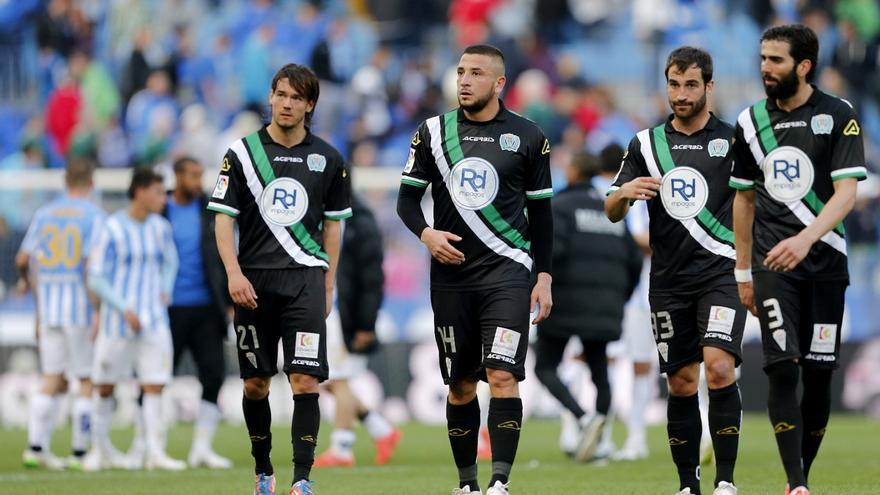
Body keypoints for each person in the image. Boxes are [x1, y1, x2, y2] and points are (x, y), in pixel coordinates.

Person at [396, 44, 554, 495]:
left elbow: (542, 216)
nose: (464, 80)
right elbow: (406, 200)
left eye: (476, 73)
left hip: (508, 272)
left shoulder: (528, 136)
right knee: (461, 384)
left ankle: (499, 482)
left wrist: (543, 276)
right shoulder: (432, 133)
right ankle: (467, 484)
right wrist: (427, 235)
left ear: (499, 83)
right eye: (461, 71)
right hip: (451, 278)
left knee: (503, 375)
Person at [730, 24, 866, 495]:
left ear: (803, 66)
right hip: (773, 266)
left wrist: (807, 238)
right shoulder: (749, 123)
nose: (765, 68)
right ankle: (796, 484)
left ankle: (802, 473)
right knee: (783, 365)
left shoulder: (837, 115)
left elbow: (847, 194)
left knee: (819, 371)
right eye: (763, 58)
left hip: (825, 263)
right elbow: (743, 201)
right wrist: (743, 270)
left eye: (776, 60)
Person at [605, 47, 746, 495]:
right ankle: (689, 485)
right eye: (673, 84)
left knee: (720, 367)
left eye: (690, 85)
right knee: (681, 380)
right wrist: (625, 191)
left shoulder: (734, 141)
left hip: (721, 273)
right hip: (668, 280)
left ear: (709, 86)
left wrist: (752, 264)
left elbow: (754, 205)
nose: (680, 94)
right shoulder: (646, 144)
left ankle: (725, 481)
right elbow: (611, 210)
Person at [208, 63, 352, 495]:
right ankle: (263, 470)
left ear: (310, 105)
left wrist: (328, 284)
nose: (287, 104)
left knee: (305, 379)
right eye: (281, 95)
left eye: (297, 98)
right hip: (253, 284)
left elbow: (333, 226)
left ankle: (303, 479)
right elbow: (222, 221)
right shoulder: (242, 154)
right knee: (255, 382)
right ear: (271, 97)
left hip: (305, 280)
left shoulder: (328, 158)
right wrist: (233, 274)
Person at [534, 151, 642, 462]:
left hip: (565, 304)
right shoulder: (612, 210)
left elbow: (553, 253)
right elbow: (634, 260)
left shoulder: (560, 207)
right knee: (599, 372)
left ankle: (583, 419)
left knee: (545, 366)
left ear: (572, 172)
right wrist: (618, 297)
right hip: (606, 305)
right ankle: (602, 436)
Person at [85, 167, 184, 471]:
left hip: (153, 321)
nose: (163, 199)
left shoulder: (160, 228)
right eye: (157, 192)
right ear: (140, 192)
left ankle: (154, 452)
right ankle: (98, 450)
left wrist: (166, 289)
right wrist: (122, 307)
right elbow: (96, 277)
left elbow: (171, 261)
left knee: (154, 385)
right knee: (104, 385)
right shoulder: (111, 228)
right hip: (118, 322)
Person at [16, 158, 106, 470]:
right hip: (78, 309)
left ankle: (35, 446)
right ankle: (80, 452)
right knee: (84, 377)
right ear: (90, 183)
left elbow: (23, 258)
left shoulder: (44, 214)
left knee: (51, 377)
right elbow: (89, 267)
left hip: (48, 308)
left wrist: (28, 283)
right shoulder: (94, 216)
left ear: (65, 183)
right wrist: (96, 309)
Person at [314, 194, 401, 468]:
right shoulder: (325, 216)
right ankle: (382, 431)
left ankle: (342, 449)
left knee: (337, 380)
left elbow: (372, 277)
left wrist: (366, 323)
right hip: (325, 310)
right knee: (325, 380)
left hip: (343, 315)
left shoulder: (359, 223)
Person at [164, 156, 233, 469]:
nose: (197, 181)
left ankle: (202, 447)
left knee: (214, 375)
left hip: (206, 307)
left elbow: (223, 253)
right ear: (177, 177)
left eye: (200, 175)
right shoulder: (160, 209)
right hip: (167, 309)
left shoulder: (210, 209)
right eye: (192, 175)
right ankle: (148, 443)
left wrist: (228, 298)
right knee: (157, 377)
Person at [594, 143, 656, 462]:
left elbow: (640, 238)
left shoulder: (644, 195)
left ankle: (635, 436)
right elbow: (635, 238)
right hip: (618, 292)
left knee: (638, 363)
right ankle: (604, 436)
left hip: (641, 294)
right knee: (610, 361)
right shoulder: (618, 193)